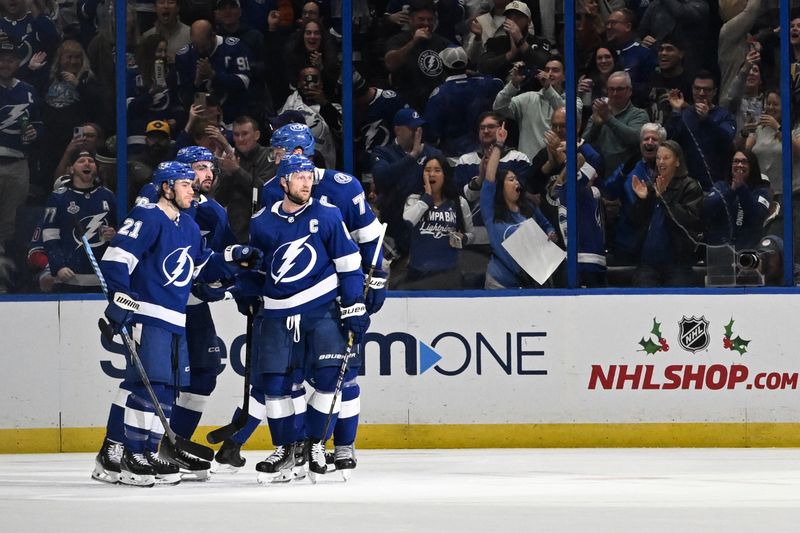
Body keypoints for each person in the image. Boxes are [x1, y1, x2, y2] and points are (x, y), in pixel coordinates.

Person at [216, 124, 386, 479]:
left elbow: (366, 239)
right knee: (282, 379)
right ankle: (292, 447)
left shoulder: (342, 189)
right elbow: (264, 253)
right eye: (276, 153)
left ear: (300, 152)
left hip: (334, 293)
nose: (276, 158)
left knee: (339, 375)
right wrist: (248, 285)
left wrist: (371, 283)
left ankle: (339, 445)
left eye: (282, 152)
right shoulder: (268, 195)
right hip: (285, 304)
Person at [91, 161, 261, 487]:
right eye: (185, 184)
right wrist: (123, 300)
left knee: (167, 390)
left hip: (176, 319)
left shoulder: (190, 227)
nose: (192, 189)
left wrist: (233, 257)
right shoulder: (147, 216)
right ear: (167, 187)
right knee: (149, 386)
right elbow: (115, 260)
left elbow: (200, 269)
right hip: (149, 313)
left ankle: (149, 450)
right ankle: (133, 453)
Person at [479, 122, 557, 289]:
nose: (516, 182)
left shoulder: (528, 207)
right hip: (499, 282)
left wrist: (550, 233)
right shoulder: (490, 211)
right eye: (511, 179)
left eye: (516, 179)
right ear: (501, 186)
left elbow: (546, 225)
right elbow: (490, 177)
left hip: (531, 281)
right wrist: (499, 144)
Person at [371, 108, 443, 257]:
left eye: (419, 128)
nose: (417, 133)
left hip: (427, 227)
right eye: (412, 129)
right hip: (394, 227)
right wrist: (413, 156)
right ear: (398, 130)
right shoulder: (383, 152)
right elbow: (381, 178)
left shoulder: (433, 154)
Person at [630, 140, 703, 287]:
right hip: (648, 264)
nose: (661, 162)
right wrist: (642, 200)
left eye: (666, 158)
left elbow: (689, 220)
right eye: (658, 158)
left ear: (677, 162)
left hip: (678, 263)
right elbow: (636, 221)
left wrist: (664, 198)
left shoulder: (690, 186)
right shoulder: (650, 187)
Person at [42, 150, 116, 293]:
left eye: (91, 161)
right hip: (68, 279)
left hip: (102, 280)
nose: (87, 163)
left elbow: (122, 231)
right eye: (81, 161)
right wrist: (58, 266)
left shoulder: (108, 196)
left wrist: (115, 234)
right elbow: (50, 237)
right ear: (71, 169)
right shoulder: (58, 198)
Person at [399, 155, 474, 289]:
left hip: (449, 273)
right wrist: (426, 198)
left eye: (437, 170)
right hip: (418, 273)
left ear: (445, 174)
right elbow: (407, 221)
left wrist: (464, 238)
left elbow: (472, 234)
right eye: (427, 170)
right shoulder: (414, 200)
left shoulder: (459, 202)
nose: (432, 174)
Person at [0, 36, 42, 267]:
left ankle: (5, 279)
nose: (5, 64)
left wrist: (36, 132)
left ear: (18, 63)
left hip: (17, 164)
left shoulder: (28, 91)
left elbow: (40, 125)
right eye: (1, 60)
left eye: (10, 60)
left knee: (10, 225)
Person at [423, 45, 503, 159]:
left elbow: (431, 133)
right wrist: (477, 75)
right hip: (486, 151)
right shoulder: (485, 84)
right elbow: (499, 83)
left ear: (443, 66)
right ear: (466, 64)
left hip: (453, 155)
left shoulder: (440, 93)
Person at [665, 71, 737, 191]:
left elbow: (726, 141)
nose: (701, 93)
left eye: (707, 90)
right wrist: (676, 111)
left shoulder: (725, 115)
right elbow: (670, 141)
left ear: (714, 92)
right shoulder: (683, 115)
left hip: (715, 185)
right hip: (686, 186)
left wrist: (707, 120)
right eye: (697, 89)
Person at [175, 19, 254, 125]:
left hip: (234, 116)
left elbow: (244, 82)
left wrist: (213, 75)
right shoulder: (184, 56)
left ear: (213, 36)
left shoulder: (234, 47)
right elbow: (183, 97)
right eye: (196, 47)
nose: (200, 52)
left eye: (203, 47)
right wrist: (197, 81)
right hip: (199, 122)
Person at [493, 57, 572, 159]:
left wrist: (548, 89)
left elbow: (569, 118)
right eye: (547, 70)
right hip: (528, 165)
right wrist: (513, 84)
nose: (550, 73)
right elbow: (498, 107)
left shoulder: (574, 101)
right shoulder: (528, 98)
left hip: (559, 162)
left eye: (555, 70)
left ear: (565, 76)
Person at [214, 115, 275, 243]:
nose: (240, 139)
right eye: (236, 135)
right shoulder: (230, 160)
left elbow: (264, 191)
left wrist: (237, 171)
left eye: (245, 134)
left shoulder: (269, 156)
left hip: (264, 231)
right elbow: (220, 199)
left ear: (256, 135)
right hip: (235, 234)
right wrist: (228, 175)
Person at [383, 1, 453, 110]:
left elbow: (461, 67)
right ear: (410, 20)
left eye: (430, 20)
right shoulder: (398, 40)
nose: (426, 23)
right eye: (421, 19)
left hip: (437, 104)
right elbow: (391, 64)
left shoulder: (443, 43)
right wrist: (414, 42)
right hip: (408, 105)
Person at [581, 71, 648, 177]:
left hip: (627, 177)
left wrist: (608, 118)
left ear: (630, 91)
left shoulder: (639, 114)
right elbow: (584, 143)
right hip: (598, 176)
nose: (615, 93)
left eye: (620, 89)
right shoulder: (598, 111)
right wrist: (596, 125)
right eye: (611, 89)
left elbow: (636, 139)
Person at [704, 149, 771, 248]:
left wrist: (742, 188)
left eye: (744, 162)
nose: (739, 165)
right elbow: (708, 209)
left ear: (752, 166)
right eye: (736, 161)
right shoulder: (720, 186)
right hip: (719, 248)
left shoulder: (761, 191)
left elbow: (757, 216)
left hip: (748, 249)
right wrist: (732, 191)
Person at [477, 1, 554, 81]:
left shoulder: (541, 42)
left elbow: (544, 65)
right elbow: (482, 67)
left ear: (529, 20)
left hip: (532, 89)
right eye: (509, 16)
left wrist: (520, 41)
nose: (513, 20)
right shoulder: (495, 42)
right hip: (502, 88)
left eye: (518, 16)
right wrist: (510, 54)